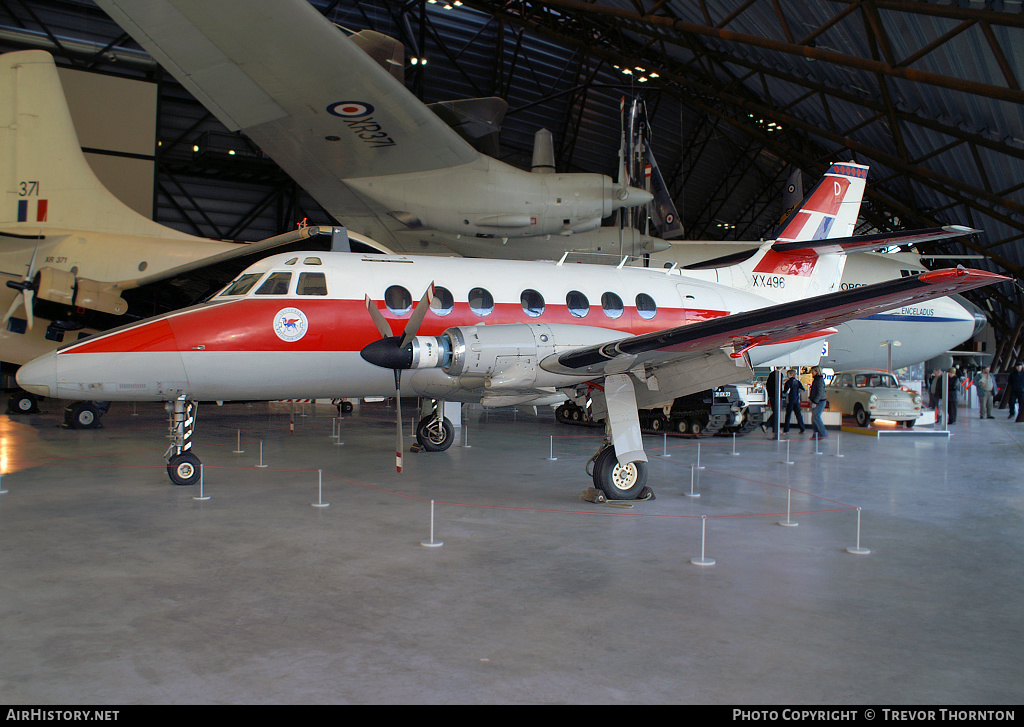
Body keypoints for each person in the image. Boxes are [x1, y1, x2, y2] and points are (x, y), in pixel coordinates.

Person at [782, 368, 806, 434]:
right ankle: (802, 428)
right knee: (798, 415)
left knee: (788, 415)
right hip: (796, 400)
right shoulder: (797, 382)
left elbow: (785, 391)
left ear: (791, 374)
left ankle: (786, 430)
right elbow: (803, 390)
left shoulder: (788, 382)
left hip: (790, 400)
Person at [808, 366, 828, 439]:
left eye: (813, 371)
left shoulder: (819, 380)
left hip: (820, 401)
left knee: (816, 417)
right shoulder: (817, 380)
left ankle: (823, 433)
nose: (812, 373)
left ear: (816, 371)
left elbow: (820, 392)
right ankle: (816, 434)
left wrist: (815, 401)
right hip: (817, 401)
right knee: (814, 418)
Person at [764, 368, 782, 435]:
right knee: (777, 412)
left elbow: (768, 384)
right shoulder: (779, 374)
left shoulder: (771, 374)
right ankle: (769, 426)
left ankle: (773, 428)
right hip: (777, 396)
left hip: (772, 396)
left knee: (776, 412)